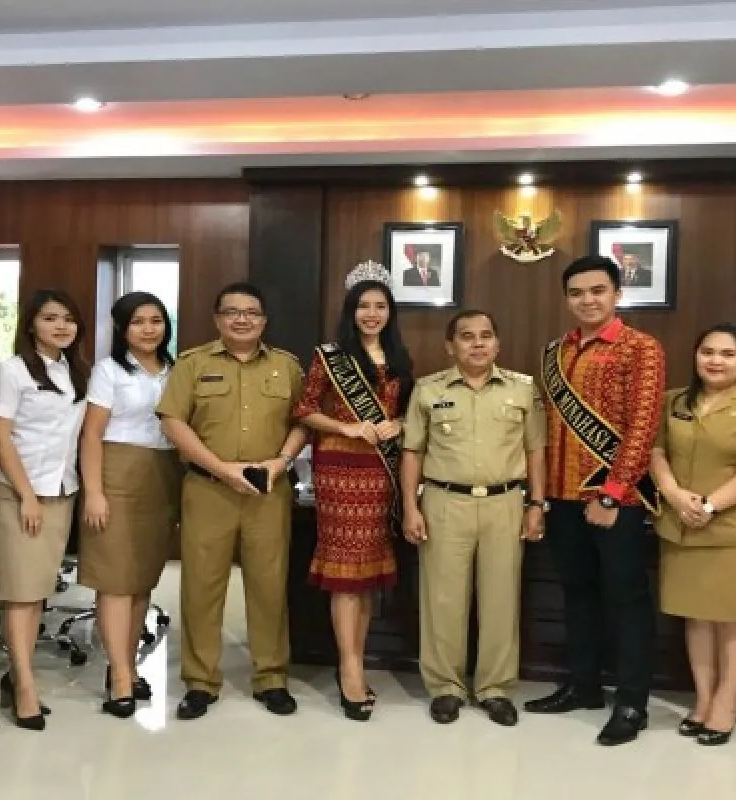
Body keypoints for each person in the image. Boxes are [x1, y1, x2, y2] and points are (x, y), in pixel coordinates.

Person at [524, 255, 665, 748]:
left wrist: (612, 492)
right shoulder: (554, 351)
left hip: (614, 499)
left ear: (616, 294)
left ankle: (631, 701)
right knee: (577, 593)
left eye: (597, 290)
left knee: (626, 599)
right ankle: (582, 686)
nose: (587, 300)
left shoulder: (641, 348)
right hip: (562, 496)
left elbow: (643, 426)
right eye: (577, 292)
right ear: (567, 299)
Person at [156, 282, 307, 720]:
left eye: (251, 312)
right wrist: (223, 469)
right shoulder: (193, 364)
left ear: (264, 320)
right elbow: (172, 422)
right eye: (232, 312)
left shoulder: (286, 366)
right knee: (201, 587)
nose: (242, 319)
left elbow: (304, 421)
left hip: (268, 491)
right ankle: (200, 681)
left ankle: (271, 677)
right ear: (217, 319)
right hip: (208, 489)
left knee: (269, 585)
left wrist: (281, 462)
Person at [400, 310, 546, 727]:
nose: (478, 343)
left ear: (497, 344)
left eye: (486, 336)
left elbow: (536, 450)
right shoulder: (428, 389)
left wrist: (537, 505)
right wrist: (410, 507)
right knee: (443, 600)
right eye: (467, 336)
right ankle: (445, 687)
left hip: (505, 503)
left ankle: (494, 688)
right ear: (450, 346)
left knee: (501, 599)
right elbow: (412, 452)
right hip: (446, 503)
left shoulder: (522, 389)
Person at [650, 324, 736, 746]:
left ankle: (727, 701)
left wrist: (710, 505)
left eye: (728, 354)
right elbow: (656, 451)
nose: (715, 361)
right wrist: (674, 494)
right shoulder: (674, 401)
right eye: (707, 352)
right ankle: (704, 698)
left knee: (733, 617)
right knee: (698, 616)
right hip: (683, 524)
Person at [292, 261, 414, 721]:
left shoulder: (399, 357)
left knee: (365, 574)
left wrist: (398, 424)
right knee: (346, 572)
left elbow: (408, 413)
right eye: (364, 306)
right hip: (340, 470)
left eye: (380, 306)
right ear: (350, 310)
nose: (372, 314)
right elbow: (304, 410)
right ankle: (350, 670)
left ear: (390, 311)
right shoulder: (330, 356)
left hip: (382, 471)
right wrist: (347, 426)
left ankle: (356, 660)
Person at [0, 289, 88, 731]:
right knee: (19, 590)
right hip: (19, 492)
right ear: (31, 325)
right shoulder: (13, 370)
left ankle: (16, 674)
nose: (61, 326)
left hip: (61, 491)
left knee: (37, 589)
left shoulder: (75, 372)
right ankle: (24, 684)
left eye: (68, 319)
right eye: (50, 318)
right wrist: (26, 495)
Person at [79, 292, 181, 719]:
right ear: (122, 329)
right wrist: (95, 491)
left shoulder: (176, 369)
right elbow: (91, 434)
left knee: (141, 579)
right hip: (117, 473)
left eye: (156, 320)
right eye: (138, 322)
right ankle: (119, 676)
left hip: (162, 474)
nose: (148, 329)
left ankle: (129, 665)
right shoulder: (109, 371)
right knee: (116, 579)